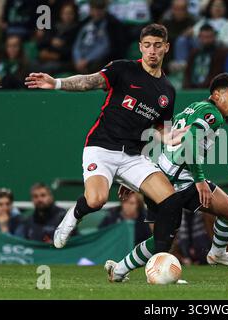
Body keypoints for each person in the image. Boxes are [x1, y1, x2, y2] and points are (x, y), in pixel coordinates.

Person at [25, 24, 189, 256]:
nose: (152, 51)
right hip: (101, 148)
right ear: (141, 47)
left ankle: (159, 259)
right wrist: (57, 83)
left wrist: (169, 137)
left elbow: (161, 128)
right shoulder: (123, 69)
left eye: (158, 46)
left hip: (134, 157)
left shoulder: (168, 91)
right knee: (96, 200)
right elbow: (88, 82)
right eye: (148, 45)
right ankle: (74, 214)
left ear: (167, 48)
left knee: (171, 202)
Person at [104, 73, 228, 282]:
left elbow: (160, 138)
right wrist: (200, 181)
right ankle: (215, 254)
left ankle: (118, 271)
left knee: (163, 239)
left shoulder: (193, 107)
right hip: (178, 183)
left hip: (160, 178)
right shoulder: (212, 114)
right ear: (216, 95)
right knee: (226, 213)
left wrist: (139, 176)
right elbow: (189, 143)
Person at [182, 24, 228, 89]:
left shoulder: (221, 53)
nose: (206, 40)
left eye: (209, 37)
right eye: (203, 37)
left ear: (214, 37)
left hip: (210, 89)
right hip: (192, 89)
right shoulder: (194, 53)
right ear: (199, 37)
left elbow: (217, 75)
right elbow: (187, 73)